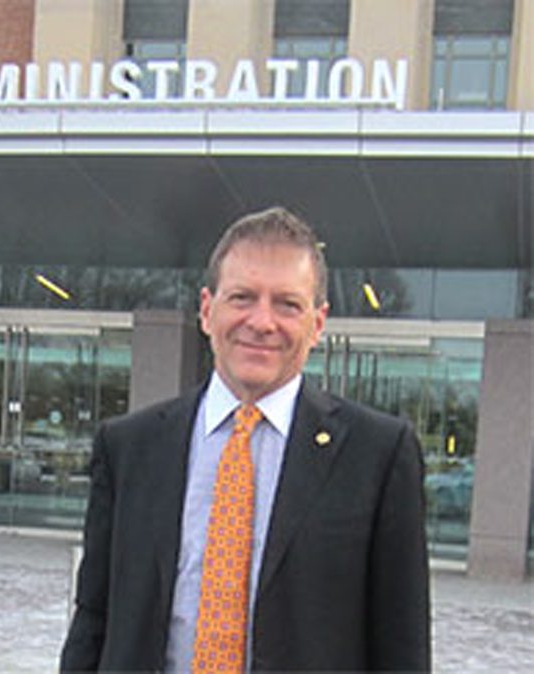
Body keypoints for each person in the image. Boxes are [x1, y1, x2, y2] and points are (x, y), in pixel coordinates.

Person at [60, 206, 430, 672]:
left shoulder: (379, 454)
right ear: (206, 310)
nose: (261, 321)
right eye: (242, 297)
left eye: (287, 304)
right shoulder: (128, 447)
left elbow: (402, 645)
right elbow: (94, 616)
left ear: (318, 324)